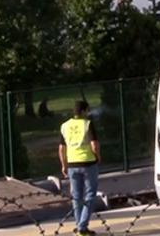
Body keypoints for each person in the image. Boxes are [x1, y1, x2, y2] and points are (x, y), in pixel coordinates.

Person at [59, 100, 100, 236]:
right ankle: (82, 226)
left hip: (72, 164)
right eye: (87, 110)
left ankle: (79, 226)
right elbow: (94, 145)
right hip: (88, 162)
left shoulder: (65, 126)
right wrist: (98, 156)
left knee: (76, 197)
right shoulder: (87, 124)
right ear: (83, 111)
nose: (88, 113)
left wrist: (64, 165)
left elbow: (61, 148)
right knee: (90, 194)